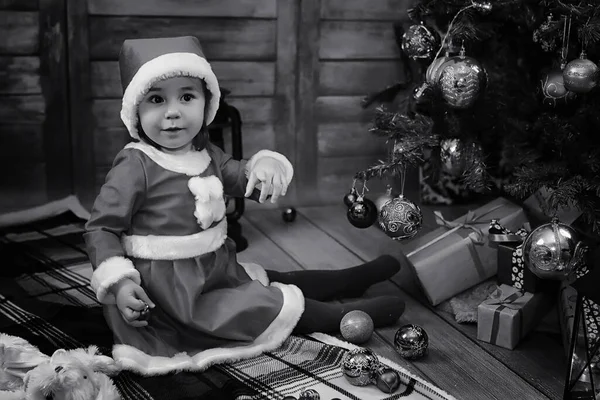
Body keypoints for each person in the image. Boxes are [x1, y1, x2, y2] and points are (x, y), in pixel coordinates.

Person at [84, 36, 405, 376]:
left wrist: (260, 168)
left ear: (206, 104)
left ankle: (349, 279)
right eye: (157, 99)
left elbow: (237, 176)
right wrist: (119, 284)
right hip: (171, 293)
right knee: (260, 303)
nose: (173, 111)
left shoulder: (204, 153)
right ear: (136, 109)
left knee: (268, 276)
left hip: (212, 268)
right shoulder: (135, 166)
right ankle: (344, 317)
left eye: (187, 97)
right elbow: (101, 228)